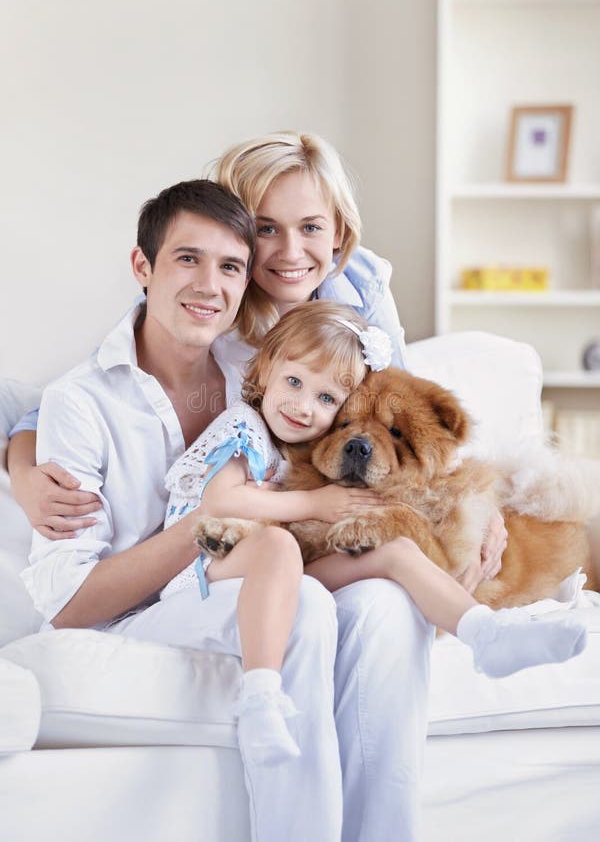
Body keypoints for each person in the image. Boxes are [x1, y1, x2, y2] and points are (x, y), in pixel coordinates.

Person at [8, 132, 507, 839]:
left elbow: (417, 429)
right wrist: (23, 468)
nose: (288, 252)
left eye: (310, 229)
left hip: (274, 556)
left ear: (338, 236)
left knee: (387, 607)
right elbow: (48, 401)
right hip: (222, 567)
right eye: (264, 231)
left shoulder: (349, 317)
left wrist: (478, 506)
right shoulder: (214, 334)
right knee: (300, 598)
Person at [162, 298, 586, 682]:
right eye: (346, 425)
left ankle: (488, 634)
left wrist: (416, 518)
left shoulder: (434, 480)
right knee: (349, 551)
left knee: (396, 550)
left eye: (395, 433)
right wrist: (309, 503)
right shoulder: (251, 433)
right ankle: (486, 635)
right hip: (214, 576)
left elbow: (449, 565)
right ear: (266, 373)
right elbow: (242, 510)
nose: (361, 443)